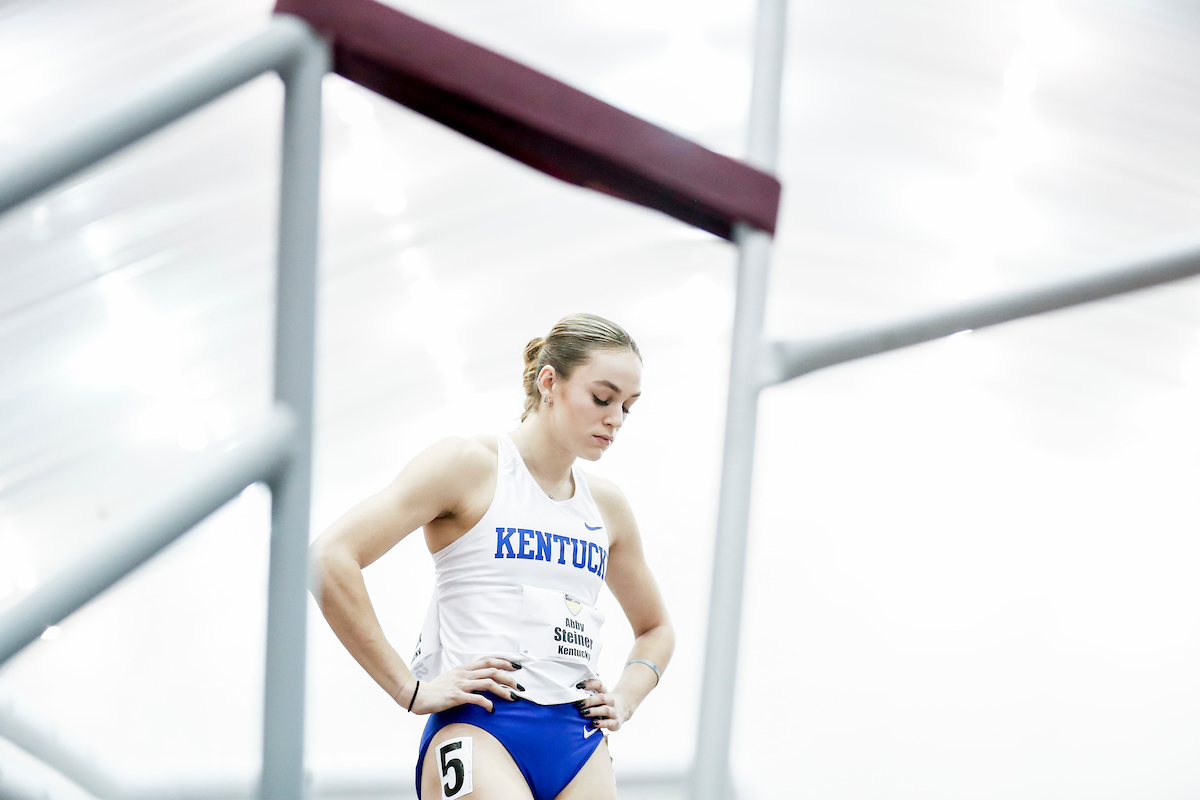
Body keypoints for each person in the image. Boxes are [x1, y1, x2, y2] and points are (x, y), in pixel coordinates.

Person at [310, 313, 675, 800]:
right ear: (550, 382)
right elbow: (329, 558)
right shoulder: (469, 467)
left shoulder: (607, 506)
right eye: (603, 398)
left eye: (628, 406)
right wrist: (407, 689)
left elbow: (656, 629)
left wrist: (626, 700)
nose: (616, 419)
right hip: (481, 726)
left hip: (577, 737)